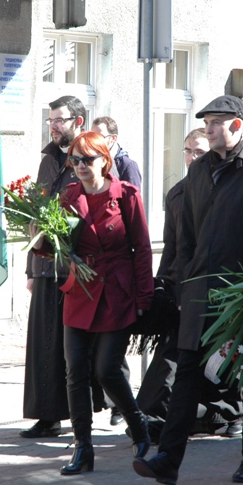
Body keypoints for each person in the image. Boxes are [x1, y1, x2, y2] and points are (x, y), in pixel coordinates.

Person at [133, 95, 243, 485]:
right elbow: (185, 233)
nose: (207, 130)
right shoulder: (200, 170)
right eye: (205, 123)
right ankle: (168, 461)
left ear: (236, 126)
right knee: (186, 372)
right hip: (201, 291)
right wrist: (185, 280)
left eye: (214, 124)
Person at [31, 131, 154, 475]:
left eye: (88, 159)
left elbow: (142, 249)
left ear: (105, 160)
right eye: (75, 160)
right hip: (80, 290)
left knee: (106, 369)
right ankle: (83, 449)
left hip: (116, 292)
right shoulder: (69, 194)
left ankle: (138, 424)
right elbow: (51, 243)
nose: (81, 167)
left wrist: (144, 297)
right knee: (75, 372)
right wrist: (37, 233)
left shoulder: (126, 195)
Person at [136, 128, 243, 442]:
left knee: (212, 358)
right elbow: (171, 246)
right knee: (177, 356)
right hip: (183, 290)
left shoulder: (221, 190)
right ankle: (166, 414)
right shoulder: (177, 193)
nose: (192, 157)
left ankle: (226, 412)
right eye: (188, 151)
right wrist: (161, 284)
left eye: (199, 151)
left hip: (217, 290)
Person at [20, 95, 84, 439]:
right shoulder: (48, 160)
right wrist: (31, 268)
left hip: (76, 267)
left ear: (78, 121)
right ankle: (46, 415)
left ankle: (81, 417)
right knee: (44, 343)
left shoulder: (90, 156)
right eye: (50, 121)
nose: (54, 126)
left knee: (72, 347)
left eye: (59, 120)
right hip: (46, 265)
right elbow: (37, 214)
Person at [90, 116, 141, 425]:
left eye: (98, 137)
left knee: (112, 354)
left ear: (111, 139)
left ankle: (123, 407)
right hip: (96, 275)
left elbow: (135, 212)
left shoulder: (127, 165)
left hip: (118, 273)